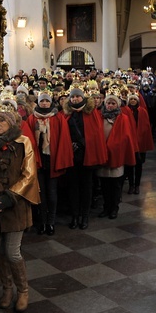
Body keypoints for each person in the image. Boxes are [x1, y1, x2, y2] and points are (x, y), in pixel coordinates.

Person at [0, 104, 40, 313]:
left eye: (2, 120)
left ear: (11, 122)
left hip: (15, 203)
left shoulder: (23, 142)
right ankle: (7, 289)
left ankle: (23, 291)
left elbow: (29, 174)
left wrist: (10, 197)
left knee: (11, 252)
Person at [24, 90, 73, 235]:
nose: (44, 103)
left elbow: (64, 139)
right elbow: (28, 140)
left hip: (52, 159)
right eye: (42, 101)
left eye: (46, 101)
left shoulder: (57, 118)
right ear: (38, 103)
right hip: (38, 160)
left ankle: (51, 222)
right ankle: (43, 222)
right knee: (41, 195)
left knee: (52, 194)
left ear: (51, 102)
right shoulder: (32, 118)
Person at [61, 86, 106, 230]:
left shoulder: (92, 113)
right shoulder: (66, 114)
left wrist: (85, 144)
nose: (75, 99)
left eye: (77, 97)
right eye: (72, 97)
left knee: (87, 186)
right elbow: (61, 134)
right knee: (73, 187)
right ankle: (75, 215)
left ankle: (85, 216)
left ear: (83, 98)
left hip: (87, 155)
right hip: (71, 155)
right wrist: (69, 145)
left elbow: (96, 134)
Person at [97, 90, 137, 219]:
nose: (110, 105)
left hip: (117, 156)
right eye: (108, 103)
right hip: (103, 155)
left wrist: (114, 146)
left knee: (116, 185)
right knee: (104, 185)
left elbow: (126, 137)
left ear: (117, 105)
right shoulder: (99, 116)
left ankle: (114, 208)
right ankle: (105, 207)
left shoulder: (123, 118)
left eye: (113, 103)